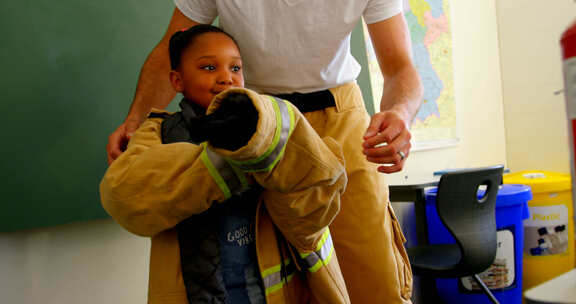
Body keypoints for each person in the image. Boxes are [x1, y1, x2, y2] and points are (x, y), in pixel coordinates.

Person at [107, 1, 423, 303]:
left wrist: (400, 113)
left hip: (340, 121)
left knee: (374, 278)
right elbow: (170, 52)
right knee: (271, 278)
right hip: (255, 126)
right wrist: (136, 120)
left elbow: (399, 67)